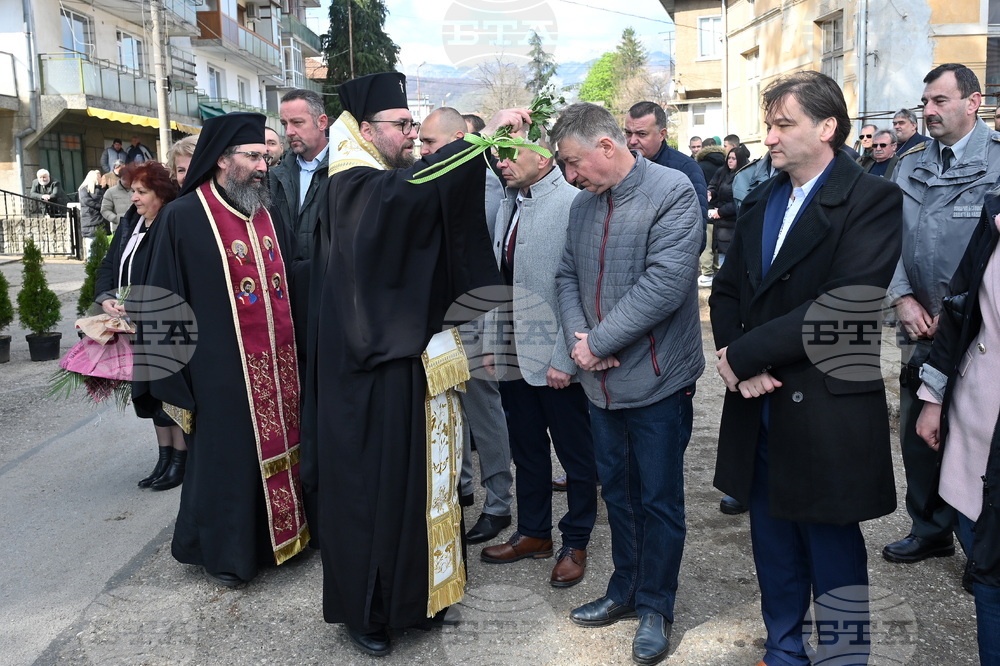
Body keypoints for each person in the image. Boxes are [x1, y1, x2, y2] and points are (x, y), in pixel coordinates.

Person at [304, 71, 514, 657]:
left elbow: (425, 208)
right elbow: (411, 197)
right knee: (373, 495)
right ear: (367, 129)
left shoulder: (382, 178)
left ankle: (417, 596)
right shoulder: (352, 184)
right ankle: (366, 610)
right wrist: (474, 144)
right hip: (366, 377)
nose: (408, 138)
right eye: (401, 127)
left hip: (408, 362)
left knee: (419, 488)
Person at [710, 70, 902, 666]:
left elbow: (842, 307)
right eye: (769, 124)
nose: (769, 137)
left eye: (782, 124)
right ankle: (783, 649)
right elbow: (726, 293)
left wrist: (743, 356)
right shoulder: (763, 196)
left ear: (827, 128)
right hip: (759, 401)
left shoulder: (873, 200)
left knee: (832, 548)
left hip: (824, 404)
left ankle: (843, 658)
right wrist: (739, 369)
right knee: (771, 542)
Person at [553, 102, 704, 666]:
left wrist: (599, 344)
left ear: (607, 147)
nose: (570, 176)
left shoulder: (673, 191)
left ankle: (656, 606)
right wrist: (580, 339)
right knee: (616, 491)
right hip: (601, 384)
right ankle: (623, 589)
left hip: (657, 380)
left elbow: (665, 285)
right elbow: (567, 273)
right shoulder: (582, 205)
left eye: (573, 163)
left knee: (659, 498)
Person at [132, 112, 309, 588]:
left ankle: (286, 538)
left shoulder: (268, 214)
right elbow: (160, 301)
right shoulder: (183, 218)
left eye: (265, 157)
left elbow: (294, 279)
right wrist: (175, 379)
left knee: (286, 449)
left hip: (280, 366)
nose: (262, 166)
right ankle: (231, 554)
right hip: (218, 374)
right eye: (252, 157)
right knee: (228, 463)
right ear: (221, 161)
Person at [884, 63, 1000, 565]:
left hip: (981, 330)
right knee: (919, 430)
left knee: (981, 437)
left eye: (940, 101)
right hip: (920, 324)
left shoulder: (997, 162)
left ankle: (985, 549)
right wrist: (902, 298)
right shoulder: (907, 163)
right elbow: (882, 238)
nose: (928, 110)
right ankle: (929, 527)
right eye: (925, 101)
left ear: (973, 102)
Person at [479, 126, 598, 589]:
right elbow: (500, 282)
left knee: (576, 455)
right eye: (497, 155)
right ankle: (533, 533)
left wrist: (565, 359)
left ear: (544, 157)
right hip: (511, 355)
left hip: (556, 360)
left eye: (509, 155)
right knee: (526, 449)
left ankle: (576, 540)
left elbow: (581, 288)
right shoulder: (511, 201)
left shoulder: (573, 203)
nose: (501, 163)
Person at [417, 106, 515, 545]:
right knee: (447, 402)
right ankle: (462, 486)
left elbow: (484, 257)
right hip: (440, 311)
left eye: (431, 144)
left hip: (475, 310)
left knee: (482, 404)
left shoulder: (485, 183)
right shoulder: (434, 179)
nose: (423, 152)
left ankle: (499, 502)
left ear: (459, 140)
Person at [915, 199, 1000, 665]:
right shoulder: (995, 215)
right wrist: (933, 399)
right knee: (989, 571)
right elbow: (960, 310)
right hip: (979, 420)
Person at [94, 162, 186, 491]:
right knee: (147, 394)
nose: (133, 198)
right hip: (129, 323)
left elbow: (169, 280)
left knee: (167, 393)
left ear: (161, 194)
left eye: (141, 192)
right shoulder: (131, 222)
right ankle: (164, 458)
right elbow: (109, 263)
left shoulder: (171, 224)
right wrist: (106, 297)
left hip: (161, 323)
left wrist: (137, 306)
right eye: (132, 190)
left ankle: (180, 460)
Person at [269, 89, 330, 261]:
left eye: (297, 122)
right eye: (284, 124)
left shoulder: (344, 170)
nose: (289, 131)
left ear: (322, 122)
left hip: (331, 281)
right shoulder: (274, 177)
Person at [705, 145, 750, 279]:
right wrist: (711, 193)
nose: (730, 161)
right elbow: (713, 185)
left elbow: (741, 200)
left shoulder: (744, 175)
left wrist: (723, 211)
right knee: (722, 254)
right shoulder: (722, 171)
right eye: (728, 158)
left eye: (734, 159)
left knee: (730, 256)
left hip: (733, 221)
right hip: (721, 221)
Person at [77, 170, 107, 257]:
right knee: (92, 249)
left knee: (103, 250)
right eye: (99, 176)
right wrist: (102, 207)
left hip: (101, 221)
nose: (101, 178)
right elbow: (87, 201)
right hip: (90, 221)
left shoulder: (103, 189)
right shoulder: (84, 189)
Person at [101, 165, 134, 232]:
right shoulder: (111, 192)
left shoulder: (138, 190)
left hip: (137, 226)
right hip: (119, 228)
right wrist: (116, 219)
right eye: (125, 179)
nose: (127, 181)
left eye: (129, 179)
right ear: (120, 178)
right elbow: (105, 210)